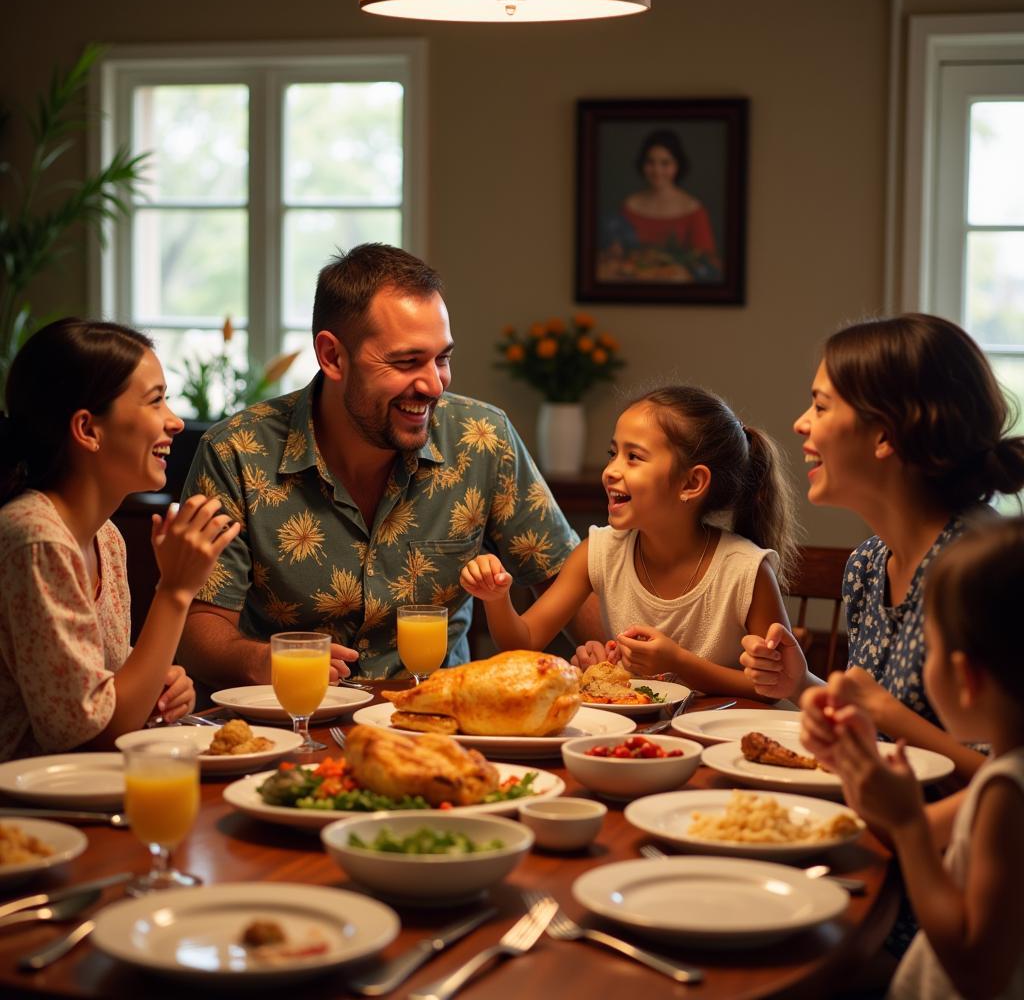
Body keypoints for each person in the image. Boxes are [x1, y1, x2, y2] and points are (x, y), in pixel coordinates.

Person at [177, 243, 591, 687]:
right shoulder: (236, 451)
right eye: (406, 361)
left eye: (443, 358)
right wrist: (256, 661)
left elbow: (565, 581)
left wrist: (646, 675)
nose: (434, 385)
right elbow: (198, 628)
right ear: (333, 356)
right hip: (292, 723)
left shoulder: (482, 438)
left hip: (439, 725)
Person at [740, 313, 1024, 781]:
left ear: (885, 435)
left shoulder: (981, 571)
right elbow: (879, 730)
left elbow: (1009, 778)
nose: (800, 424)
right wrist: (800, 682)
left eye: (821, 406)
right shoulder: (868, 564)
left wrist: (887, 713)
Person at [0, 318, 240, 761]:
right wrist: (175, 590)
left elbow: (110, 690)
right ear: (88, 429)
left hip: (91, 792)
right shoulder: (35, 538)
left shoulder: (106, 537)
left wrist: (163, 689)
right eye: (155, 402)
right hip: (32, 815)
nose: (174, 422)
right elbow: (95, 733)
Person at [460, 386, 797, 696]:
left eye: (633, 457)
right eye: (613, 453)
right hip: (636, 736)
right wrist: (496, 598)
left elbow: (775, 685)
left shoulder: (745, 570)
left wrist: (678, 662)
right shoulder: (600, 551)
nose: (611, 470)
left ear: (691, 483)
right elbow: (524, 641)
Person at [809, 519, 1024, 999]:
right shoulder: (1006, 777)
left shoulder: (1007, 795)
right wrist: (857, 759)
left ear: (965, 678)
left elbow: (978, 973)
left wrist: (905, 825)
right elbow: (926, 828)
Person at [599, 129, 719, 283]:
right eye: (651, 162)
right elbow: (618, 255)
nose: (657, 170)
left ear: (677, 165)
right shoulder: (629, 206)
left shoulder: (694, 210)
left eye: (665, 163)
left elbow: (708, 263)